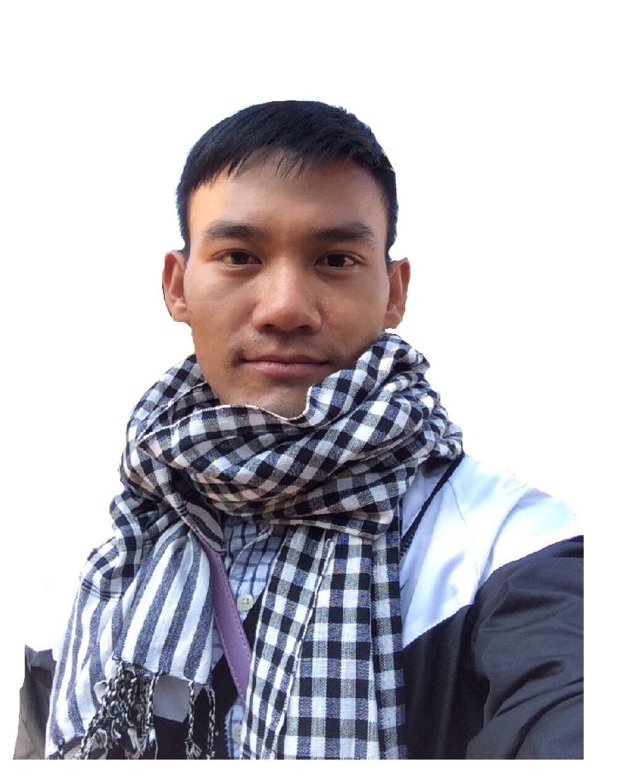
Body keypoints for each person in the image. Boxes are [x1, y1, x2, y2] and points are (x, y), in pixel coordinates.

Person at [20, 101, 583, 759]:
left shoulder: (507, 545)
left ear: (394, 291)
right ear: (177, 286)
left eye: (335, 259)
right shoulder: (110, 562)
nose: (285, 307)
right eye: (239, 256)